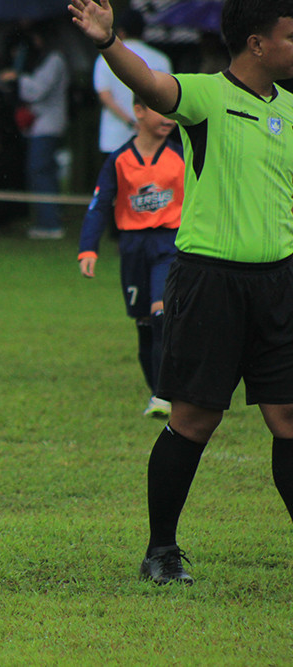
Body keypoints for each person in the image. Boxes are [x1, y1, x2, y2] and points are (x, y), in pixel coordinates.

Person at [69, 0, 293, 585]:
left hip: (279, 286)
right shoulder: (205, 97)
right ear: (256, 44)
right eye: (292, 36)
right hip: (210, 282)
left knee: (289, 416)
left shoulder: (292, 110)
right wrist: (109, 40)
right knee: (194, 420)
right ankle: (161, 552)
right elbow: (146, 80)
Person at [78, 96, 184, 419]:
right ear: (138, 111)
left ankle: (166, 394)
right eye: (160, 111)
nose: (168, 118)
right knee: (143, 325)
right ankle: (157, 393)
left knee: (161, 313)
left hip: (170, 243)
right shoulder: (119, 160)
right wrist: (88, 247)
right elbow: (99, 205)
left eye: (171, 112)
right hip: (133, 248)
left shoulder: (182, 156)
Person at [1, 21, 69, 240]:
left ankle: (50, 224)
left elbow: (37, 91)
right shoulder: (42, 60)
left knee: (40, 171)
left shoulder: (54, 59)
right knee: (41, 171)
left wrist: (17, 77)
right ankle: (47, 219)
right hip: (39, 126)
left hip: (47, 126)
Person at [93, 9, 172, 156]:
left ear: (120, 32)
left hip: (114, 138)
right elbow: (166, 97)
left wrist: (130, 122)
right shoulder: (161, 59)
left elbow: (105, 96)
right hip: (152, 139)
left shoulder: (105, 58)